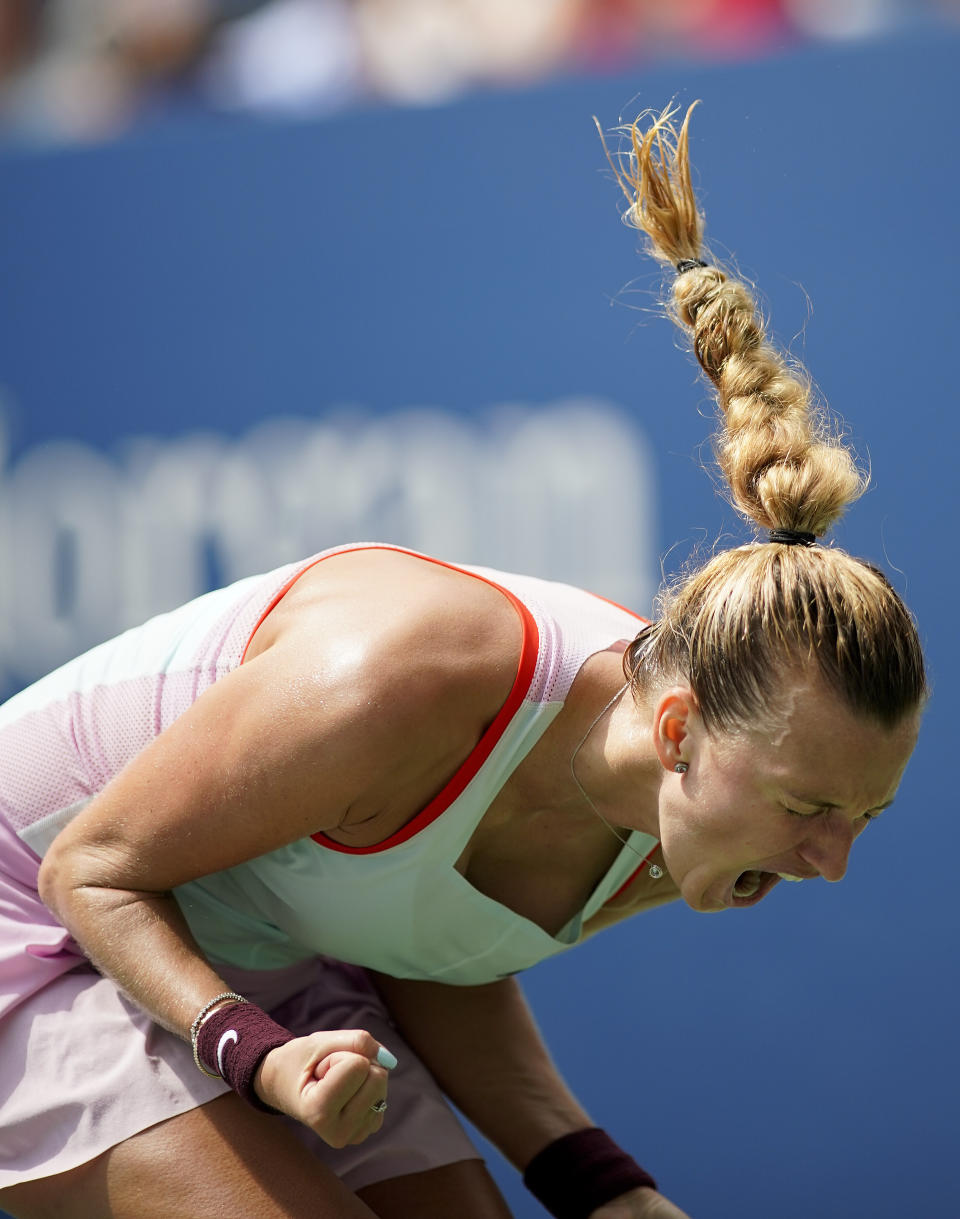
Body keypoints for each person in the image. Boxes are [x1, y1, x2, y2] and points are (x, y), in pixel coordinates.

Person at [0, 104, 926, 1219]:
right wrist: (256, 1053)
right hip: (45, 908)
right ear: (677, 732)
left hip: (250, 944)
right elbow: (92, 868)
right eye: (810, 807)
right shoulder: (411, 674)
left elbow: (426, 939)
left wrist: (601, 1187)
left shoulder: (705, 818)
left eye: (863, 817)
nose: (830, 861)